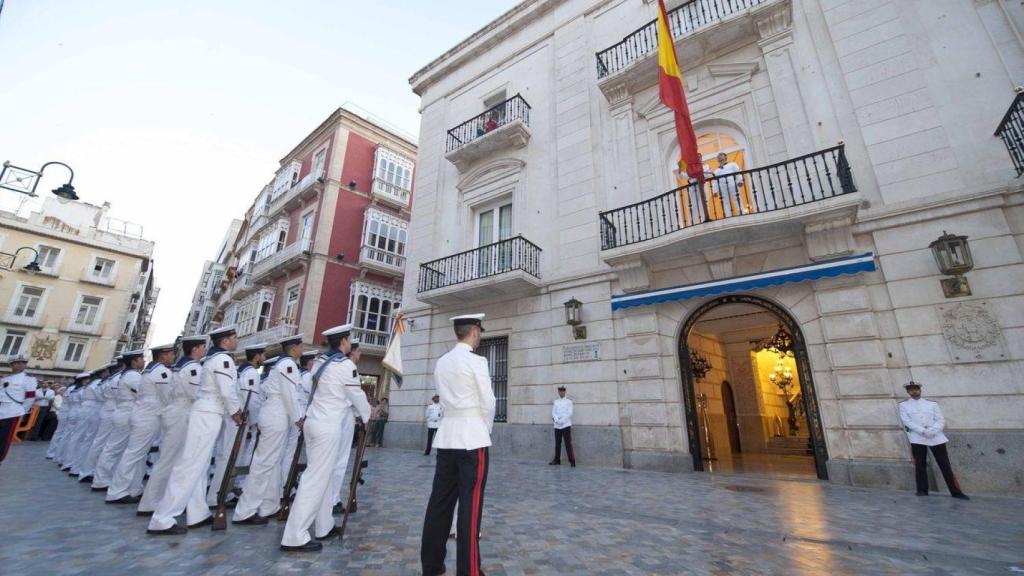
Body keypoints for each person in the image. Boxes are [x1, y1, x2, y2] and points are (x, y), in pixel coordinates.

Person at [280, 324, 370, 552]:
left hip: (314, 421)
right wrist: (367, 414)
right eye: (349, 339)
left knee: (325, 475)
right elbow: (356, 395)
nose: (350, 343)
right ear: (343, 342)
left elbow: (310, 385)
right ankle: (295, 535)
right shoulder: (345, 365)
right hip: (328, 424)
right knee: (315, 478)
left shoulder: (320, 361)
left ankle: (324, 525)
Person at [148, 325, 242, 535]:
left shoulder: (211, 359)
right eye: (234, 337)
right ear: (225, 341)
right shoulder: (223, 360)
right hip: (208, 413)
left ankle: (197, 512)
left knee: (198, 465)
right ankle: (162, 518)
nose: (237, 340)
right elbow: (227, 392)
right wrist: (236, 412)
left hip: (208, 412)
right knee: (189, 466)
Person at [421, 313, 496, 576]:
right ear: (474, 331)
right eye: (480, 331)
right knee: (470, 509)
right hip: (472, 438)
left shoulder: (441, 362)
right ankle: (470, 571)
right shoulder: (477, 361)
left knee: (439, 503)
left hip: (447, 436)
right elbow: (488, 403)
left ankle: (431, 565)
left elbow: (443, 400)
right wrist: (484, 431)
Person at [233, 336, 302, 525]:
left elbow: (263, 390)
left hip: (275, 413)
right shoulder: (288, 365)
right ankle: (245, 511)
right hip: (276, 415)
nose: (302, 349)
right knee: (263, 465)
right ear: (293, 348)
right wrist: (299, 419)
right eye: (300, 346)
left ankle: (269, 505)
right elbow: (289, 396)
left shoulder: (282, 365)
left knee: (273, 463)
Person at [138, 335, 207, 517]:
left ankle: (160, 500)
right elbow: (195, 394)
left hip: (175, 411)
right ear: (196, 349)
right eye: (203, 347)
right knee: (169, 459)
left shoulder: (178, 368)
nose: (205, 350)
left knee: (173, 459)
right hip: (182, 413)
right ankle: (151, 502)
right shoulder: (192, 368)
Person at [107, 344, 175, 503]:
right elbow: (167, 397)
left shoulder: (149, 370)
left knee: (139, 454)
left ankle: (134, 488)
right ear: (162, 356)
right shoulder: (161, 371)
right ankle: (117, 491)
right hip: (148, 415)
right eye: (171, 353)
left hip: (142, 413)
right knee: (133, 453)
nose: (173, 356)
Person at [207, 342, 266, 508]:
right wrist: (255, 422)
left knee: (224, 456)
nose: (264, 358)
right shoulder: (252, 373)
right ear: (257, 356)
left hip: (232, 416)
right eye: (263, 354)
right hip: (238, 418)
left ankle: (222, 492)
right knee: (230, 457)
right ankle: (218, 495)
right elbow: (252, 400)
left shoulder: (243, 371)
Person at [898, 381, 969, 500]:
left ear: (920, 390)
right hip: (918, 437)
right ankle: (922, 490)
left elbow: (940, 420)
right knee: (920, 465)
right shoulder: (903, 405)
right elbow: (907, 421)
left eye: (916, 389)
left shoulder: (931, 404)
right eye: (911, 389)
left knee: (945, 465)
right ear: (907, 392)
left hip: (936, 437)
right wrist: (922, 431)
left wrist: (933, 430)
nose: (914, 391)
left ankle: (955, 491)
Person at [93, 351, 145, 491]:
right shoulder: (133, 375)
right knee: (114, 448)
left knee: (113, 448)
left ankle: (103, 478)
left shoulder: (126, 374)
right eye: (141, 358)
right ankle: (101, 480)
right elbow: (143, 393)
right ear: (134, 361)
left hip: (122, 410)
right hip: (127, 411)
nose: (143, 361)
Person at [77, 362, 118, 482]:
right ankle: (91, 471)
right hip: (104, 408)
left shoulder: (99, 383)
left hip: (99, 409)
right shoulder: (109, 381)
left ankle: (82, 468)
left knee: (91, 440)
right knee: (101, 442)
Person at [0, 354, 37, 465]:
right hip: (1, 408)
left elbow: (30, 398)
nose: (21, 365)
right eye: (17, 363)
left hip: (12, 411)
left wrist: (21, 411)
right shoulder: (5, 379)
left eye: (23, 363)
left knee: (4, 438)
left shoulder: (28, 379)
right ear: (12, 365)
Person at [549, 385, 576, 468]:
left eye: (563, 391)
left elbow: (569, 413)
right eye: (560, 391)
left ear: (565, 391)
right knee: (557, 443)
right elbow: (553, 412)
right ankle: (557, 460)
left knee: (568, 443)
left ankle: (572, 461)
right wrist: (557, 420)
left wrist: (562, 421)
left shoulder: (569, 402)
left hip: (566, 425)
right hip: (557, 426)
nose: (561, 392)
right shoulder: (556, 402)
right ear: (558, 392)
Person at [712, 152, 744, 218]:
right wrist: (715, 191)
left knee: (737, 198)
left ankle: (742, 213)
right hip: (723, 187)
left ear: (725, 157)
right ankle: (728, 216)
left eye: (721, 155)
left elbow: (738, 172)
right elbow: (715, 182)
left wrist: (740, 181)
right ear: (717, 160)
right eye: (718, 156)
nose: (719, 156)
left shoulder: (732, 164)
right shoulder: (716, 171)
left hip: (732, 184)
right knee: (726, 201)